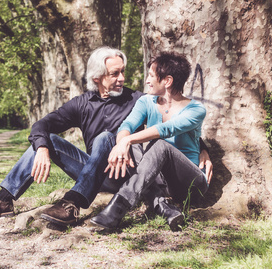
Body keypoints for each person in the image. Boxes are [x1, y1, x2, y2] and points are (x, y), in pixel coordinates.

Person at [0, 47, 212, 227]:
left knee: (107, 137)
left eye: (123, 72)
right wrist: (42, 148)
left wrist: (203, 148)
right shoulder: (81, 104)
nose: (122, 78)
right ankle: (3, 200)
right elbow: (42, 124)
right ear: (98, 78)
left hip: (124, 172)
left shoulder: (136, 99)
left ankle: (72, 204)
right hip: (92, 172)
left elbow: (175, 129)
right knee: (47, 139)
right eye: (115, 74)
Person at [90, 51, 212, 231]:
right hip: (159, 179)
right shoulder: (146, 101)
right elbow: (127, 125)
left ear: (167, 81)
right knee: (129, 144)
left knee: (159, 144)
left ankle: (118, 207)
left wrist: (126, 141)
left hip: (190, 184)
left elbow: (165, 130)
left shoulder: (196, 109)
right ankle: (163, 206)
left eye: (151, 76)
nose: (147, 80)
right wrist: (122, 143)